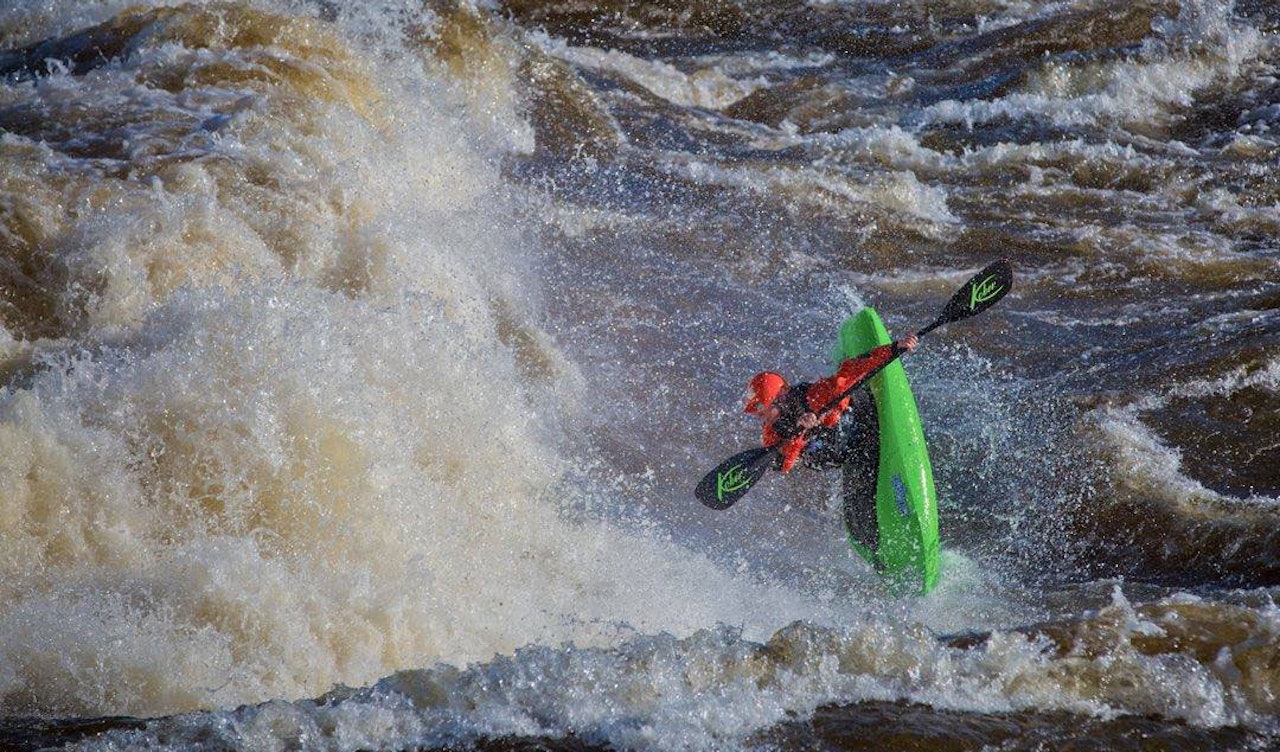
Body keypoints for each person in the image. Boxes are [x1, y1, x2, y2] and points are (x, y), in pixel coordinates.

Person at [743, 334, 919, 473]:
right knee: (814, 457)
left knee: (853, 401)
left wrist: (894, 348)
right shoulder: (771, 431)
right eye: (757, 411)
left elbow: (851, 371)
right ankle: (861, 462)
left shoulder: (814, 395)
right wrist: (799, 433)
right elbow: (784, 466)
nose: (760, 417)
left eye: (761, 409)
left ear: (780, 399)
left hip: (848, 424)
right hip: (833, 450)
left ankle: (871, 442)